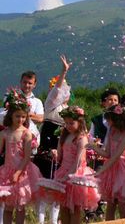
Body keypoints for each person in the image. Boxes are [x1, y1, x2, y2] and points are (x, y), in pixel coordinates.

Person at [44, 106, 100, 224]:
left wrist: (69, 176)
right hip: (64, 170)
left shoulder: (81, 138)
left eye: (71, 123)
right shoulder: (64, 136)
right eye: (66, 123)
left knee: (74, 208)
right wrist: (54, 153)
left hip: (76, 174)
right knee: (63, 206)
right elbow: (60, 157)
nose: (68, 126)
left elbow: (79, 160)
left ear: (79, 122)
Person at [87, 104, 125, 220]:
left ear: (116, 120)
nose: (107, 122)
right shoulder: (112, 131)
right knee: (110, 203)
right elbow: (107, 154)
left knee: (122, 203)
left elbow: (116, 157)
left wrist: (101, 170)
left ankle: (124, 222)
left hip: (123, 169)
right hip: (111, 168)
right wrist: (93, 146)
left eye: (109, 119)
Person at [35, 55, 71, 224]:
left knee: (58, 189)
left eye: (67, 91)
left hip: (61, 150)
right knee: (44, 188)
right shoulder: (50, 105)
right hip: (47, 150)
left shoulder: (68, 110)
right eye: (64, 90)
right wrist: (63, 73)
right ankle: (42, 222)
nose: (65, 93)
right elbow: (56, 90)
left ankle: (55, 221)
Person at [0, 89, 42, 224]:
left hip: (23, 171)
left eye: (23, 117)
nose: (21, 119)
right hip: (7, 171)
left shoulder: (26, 134)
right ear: (11, 115)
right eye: (18, 116)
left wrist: (18, 173)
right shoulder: (5, 133)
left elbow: (27, 156)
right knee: (7, 206)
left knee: (20, 206)